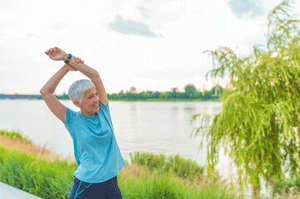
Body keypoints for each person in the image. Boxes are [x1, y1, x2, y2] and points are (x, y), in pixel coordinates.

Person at [40, 47, 125, 199]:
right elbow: (45, 92)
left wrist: (67, 57)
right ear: (76, 103)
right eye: (91, 97)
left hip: (111, 183)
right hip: (86, 186)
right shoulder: (72, 120)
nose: (97, 99)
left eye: (96, 94)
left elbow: (95, 75)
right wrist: (66, 67)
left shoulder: (103, 111)